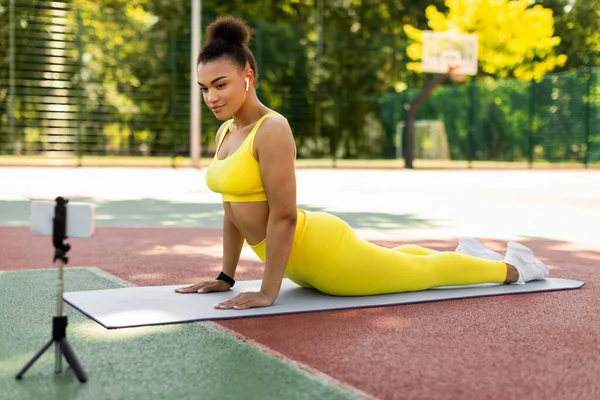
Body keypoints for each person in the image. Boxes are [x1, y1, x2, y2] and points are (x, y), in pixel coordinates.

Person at [175, 16, 549, 310]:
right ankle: (470, 255)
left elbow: (284, 216)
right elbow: (232, 208)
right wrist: (227, 275)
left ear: (248, 77)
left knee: (421, 273)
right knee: (394, 261)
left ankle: (517, 268)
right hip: (302, 265)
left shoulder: (271, 129)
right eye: (204, 88)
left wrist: (268, 292)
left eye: (220, 84)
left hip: (326, 258)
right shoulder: (226, 132)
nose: (211, 96)